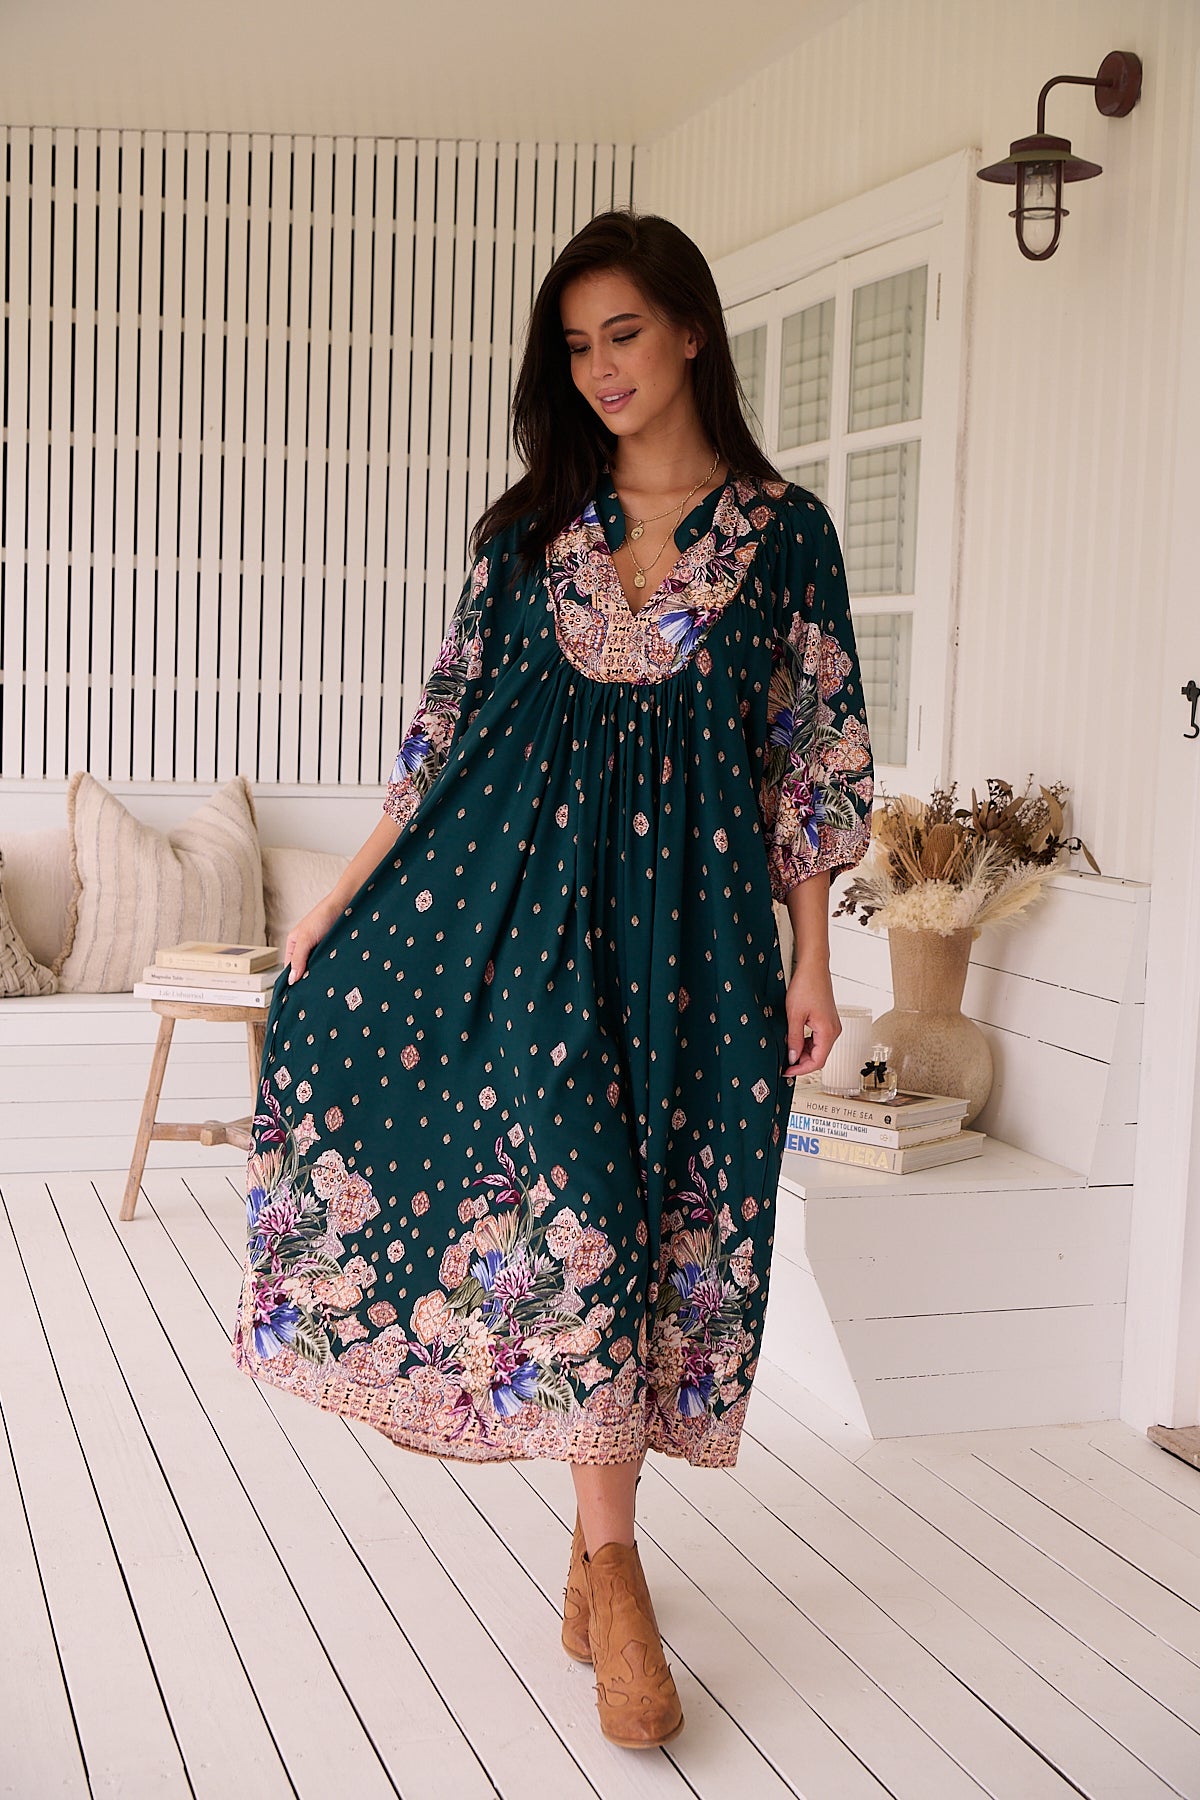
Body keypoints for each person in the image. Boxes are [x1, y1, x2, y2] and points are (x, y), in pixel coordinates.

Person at [231, 207, 874, 1750]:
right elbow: (438, 741)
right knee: (578, 1213)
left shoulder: (786, 538)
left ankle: (593, 1566)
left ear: (693, 330)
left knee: (645, 1239)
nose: (600, 370)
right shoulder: (532, 540)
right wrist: (335, 902)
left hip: (704, 953)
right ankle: (622, 1576)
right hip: (519, 933)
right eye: (576, 346)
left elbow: (810, 771)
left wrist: (813, 965)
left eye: (626, 335)